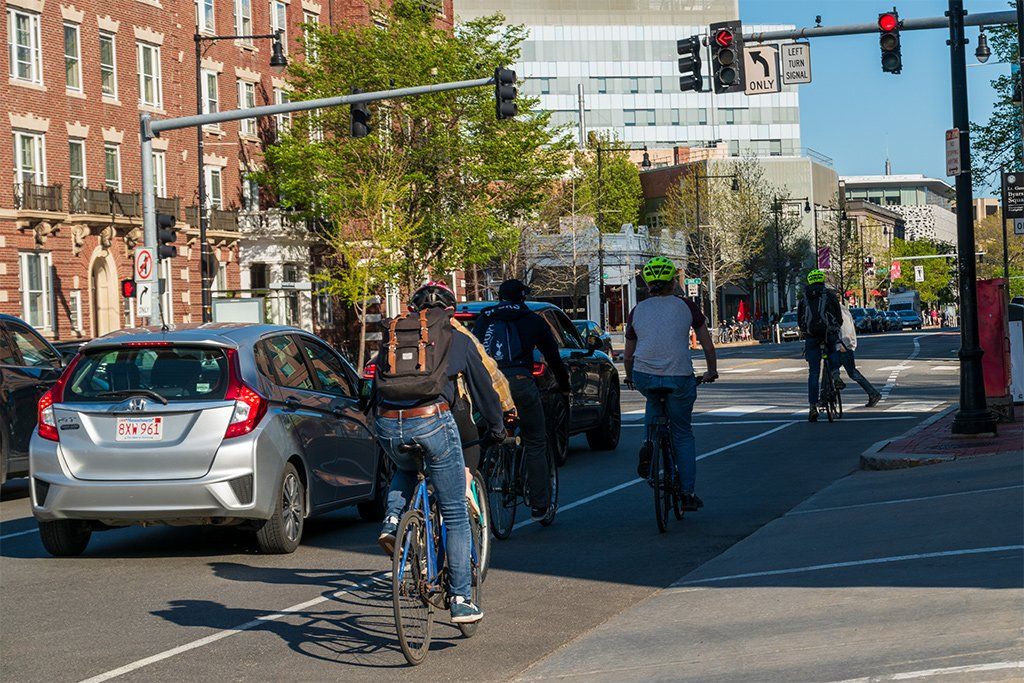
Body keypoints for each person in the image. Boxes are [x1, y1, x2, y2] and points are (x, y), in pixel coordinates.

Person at [373, 282, 506, 625]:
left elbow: (372, 384)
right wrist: (497, 427)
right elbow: (484, 388)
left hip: (389, 422)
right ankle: (461, 598)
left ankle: (392, 519)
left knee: (405, 465)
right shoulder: (457, 338)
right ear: (450, 311)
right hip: (432, 420)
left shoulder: (394, 336)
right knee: (455, 512)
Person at [624, 256, 718, 511]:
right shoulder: (687, 306)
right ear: (672, 282)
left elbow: (629, 354)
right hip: (679, 376)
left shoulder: (637, 310)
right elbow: (707, 345)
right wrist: (711, 371)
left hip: (644, 375)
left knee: (653, 400)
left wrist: (630, 376)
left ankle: (648, 445)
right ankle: (687, 493)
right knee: (682, 433)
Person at [473, 279, 570, 522]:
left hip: (491, 385)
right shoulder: (532, 319)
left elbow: (473, 351)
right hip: (520, 381)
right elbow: (552, 355)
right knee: (536, 440)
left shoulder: (485, 318)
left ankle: (480, 491)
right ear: (522, 297)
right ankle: (540, 504)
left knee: (485, 437)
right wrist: (564, 385)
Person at [798, 269, 843, 423]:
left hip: (812, 337)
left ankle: (812, 407)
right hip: (828, 333)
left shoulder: (804, 298)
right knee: (832, 350)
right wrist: (836, 327)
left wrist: (806, 332)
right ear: (822, 280)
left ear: (810, 281)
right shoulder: (829, 295)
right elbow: (839, 316)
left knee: (813, 372)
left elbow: (800, 320)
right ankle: (836, 375)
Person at [833, 304, 882, 408]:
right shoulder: (842, 309)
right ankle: (873, 393)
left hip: (842, 346)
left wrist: (843, 344)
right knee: (850, 372)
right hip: (844, 345)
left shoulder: (839, 309)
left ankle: (873, 393)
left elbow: (845, 329)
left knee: (839, 369)